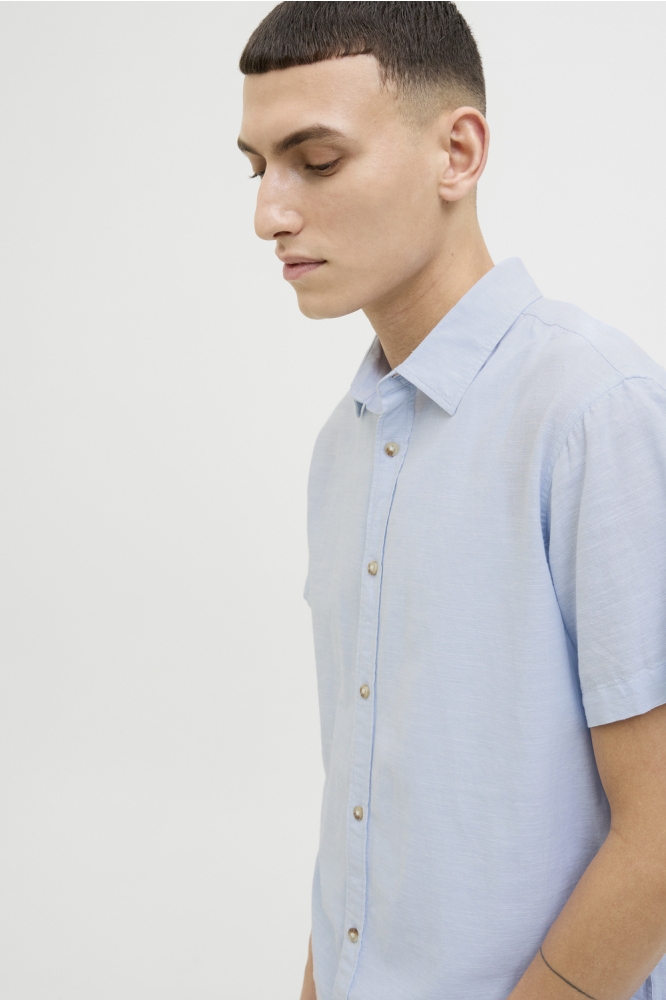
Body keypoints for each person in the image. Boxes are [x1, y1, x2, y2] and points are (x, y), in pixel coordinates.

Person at [237, 4, 666, 999]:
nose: (269, 214)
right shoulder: (341, 447)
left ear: (458, 153)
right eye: (257, 168)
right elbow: (362, 815)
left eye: (316, 160)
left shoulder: (593, 410)